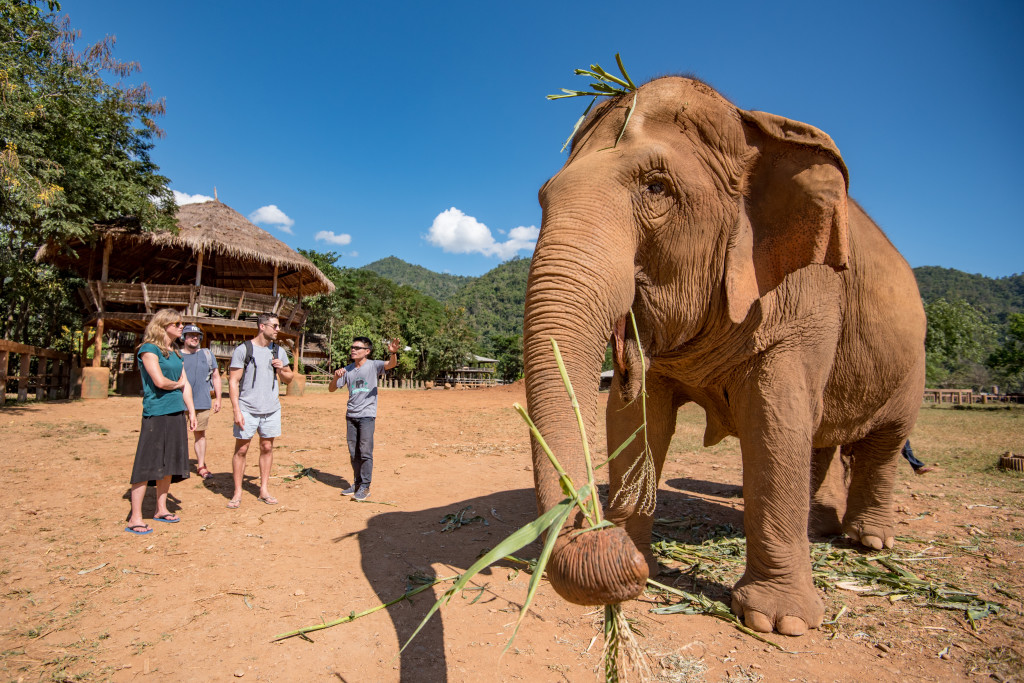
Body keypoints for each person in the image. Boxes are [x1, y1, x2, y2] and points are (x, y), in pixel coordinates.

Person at [126, 308, 197, 534]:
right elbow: (159, 381)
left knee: (168, 463)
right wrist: (176, 384)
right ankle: (135, 517)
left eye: (181, 323)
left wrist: (192, 411)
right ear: (163, 325)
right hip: (156, 412)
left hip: (177, 412)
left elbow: (186, 384)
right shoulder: (149, 349)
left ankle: (161, 508)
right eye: (176, 323)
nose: (181, 327)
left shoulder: (175, 353)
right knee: (147, 463)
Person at [227, 313, 293, 508]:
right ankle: (237, 491)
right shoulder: (243, 350)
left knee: (267, 447)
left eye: (278, 326)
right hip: (247, 408)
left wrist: (282, 370)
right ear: (262, 327)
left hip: (271, 409)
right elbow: (233, 381)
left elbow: (289, 379)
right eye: (274, 326)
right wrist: (236, 410)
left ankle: (263, 489)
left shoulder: (279, 351)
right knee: (241, 449)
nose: (278, 329)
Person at [328, 336, 400, 501]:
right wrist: (335, 377)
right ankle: (357, 484)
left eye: (357, 347)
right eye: (352, 347)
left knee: (365, 452)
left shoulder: (373, 365)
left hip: (367, 416)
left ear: (367, 351)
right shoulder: (347, 370)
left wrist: (393, 354)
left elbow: (391, 364)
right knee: (354, 453)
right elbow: (332, 389)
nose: (353, 350)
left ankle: (365, 486)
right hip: (351, 416)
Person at [180, 324, 221, 480]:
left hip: (202, 402)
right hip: (180, 403)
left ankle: (201, 465)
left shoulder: (207, 355)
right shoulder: (177, 356)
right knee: (179, 436)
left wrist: (218, 398)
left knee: (200, 435)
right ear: (183, 337)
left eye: (196, 335)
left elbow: (216, 376)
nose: (194, 338)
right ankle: (179, 465)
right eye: (190, 335)